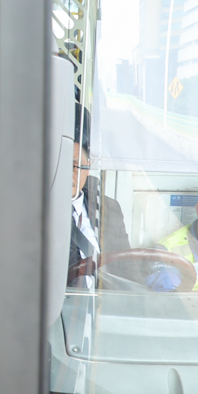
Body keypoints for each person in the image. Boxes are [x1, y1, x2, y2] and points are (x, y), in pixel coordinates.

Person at [65, 120, 131, 289]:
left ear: (88, 167)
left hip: (106, 302)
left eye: (74, 165)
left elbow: (127, 268)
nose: (67, 174)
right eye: (60, 165)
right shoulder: (32, 212)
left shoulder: (108, 208)